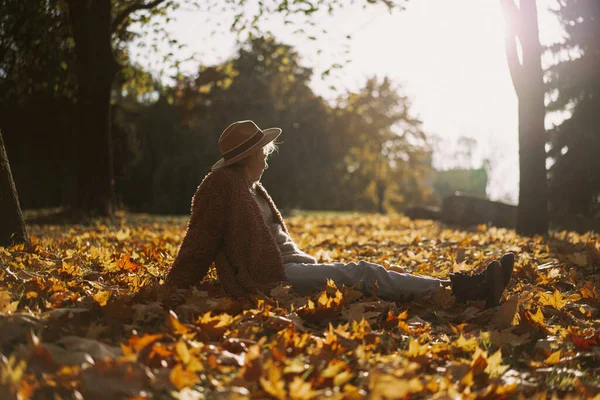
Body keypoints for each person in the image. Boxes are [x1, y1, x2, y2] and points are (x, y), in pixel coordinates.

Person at [165, 120, 514, 308]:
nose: (267, 158)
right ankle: (460, 290)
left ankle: (456, 288)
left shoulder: (250, 187)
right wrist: (174, 289)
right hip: (270, 278)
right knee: (363, 272)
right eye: (262, 152)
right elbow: (200, 240)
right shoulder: (220, 186)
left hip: (293, 266)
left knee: (365, 274)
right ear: (249, 156)